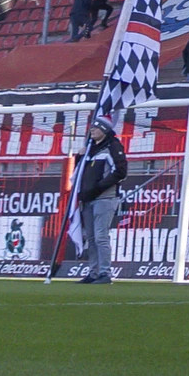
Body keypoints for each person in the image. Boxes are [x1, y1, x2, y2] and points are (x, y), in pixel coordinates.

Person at [74, 113, 129, 283]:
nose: (92, 129)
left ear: (104, 129)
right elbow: (79, 171)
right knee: (90, 237)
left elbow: (120, 171)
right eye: (91, 127)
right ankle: (93, 272)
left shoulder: (113, 146)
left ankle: (105, 273)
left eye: (96, 127)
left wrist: (98, 187)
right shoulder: (89, 148)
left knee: (100, 236)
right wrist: (79, 157)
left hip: (105, 197)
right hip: (88, 198)